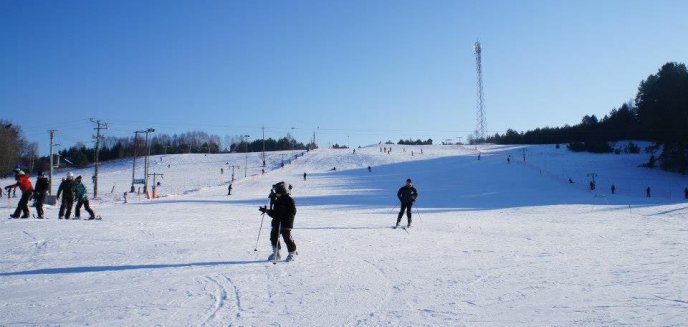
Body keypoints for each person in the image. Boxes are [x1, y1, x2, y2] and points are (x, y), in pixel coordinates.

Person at [259, 182, 297, 262]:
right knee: (273, 236)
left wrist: (284, 215)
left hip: (286, 223)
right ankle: (276, 253)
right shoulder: (277, 201)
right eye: (277, 193)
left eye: (279, 193)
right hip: (276, 222)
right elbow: (274, 214)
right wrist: (267, 211)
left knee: (287, 237)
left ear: (283, 192)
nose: (277, 195)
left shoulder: (289, 200)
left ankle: (292, 253)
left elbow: (293, 212)